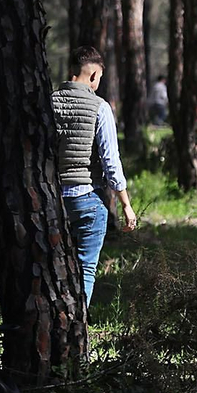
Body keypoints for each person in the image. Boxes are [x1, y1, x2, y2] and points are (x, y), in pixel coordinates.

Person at [52, 46, 138, 307]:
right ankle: (77, 329)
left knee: (52, 268)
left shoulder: (48, 102)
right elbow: (111, 162)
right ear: (93, 76)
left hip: (51, 200)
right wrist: (126, 204)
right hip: (87, 200)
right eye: (99, 77)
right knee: (85, 269)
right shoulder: (99, 107)